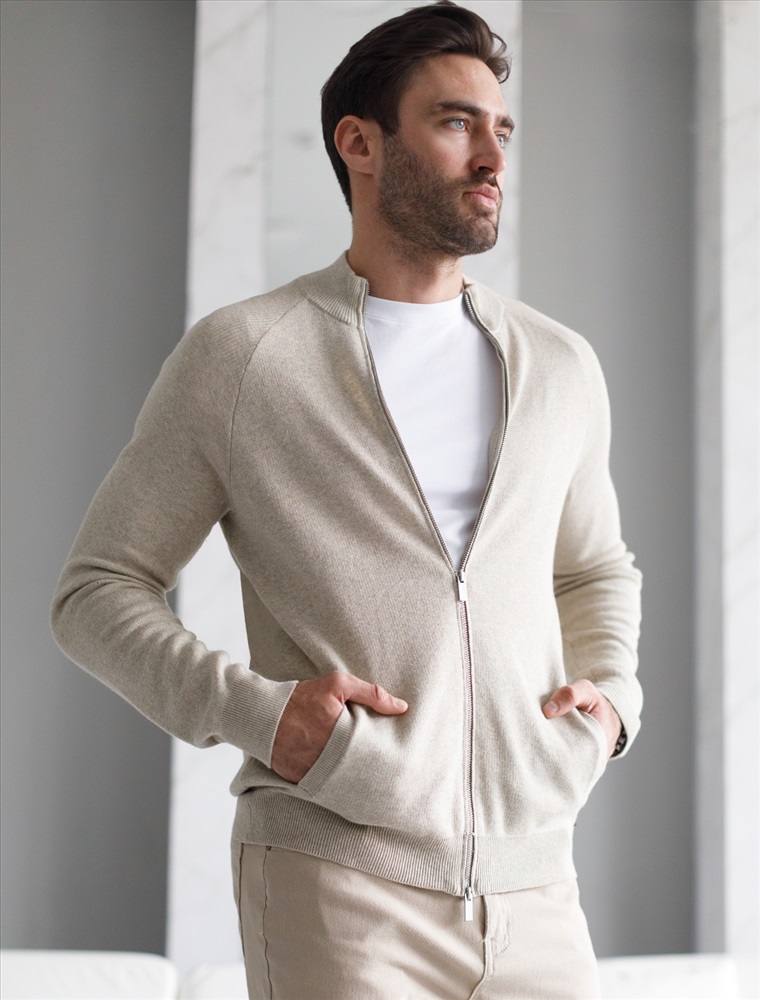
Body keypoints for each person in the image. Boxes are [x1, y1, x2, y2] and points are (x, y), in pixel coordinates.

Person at [51, 2, 642, 997]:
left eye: (501, 129)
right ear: (360, 144)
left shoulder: (559, 364)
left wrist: (613, 699)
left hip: (538, 886)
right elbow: (96, 591)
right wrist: (257, 713)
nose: (491, 156)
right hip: (336, 884)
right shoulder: (247, 357)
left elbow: (593, 568)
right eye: (455, 122)